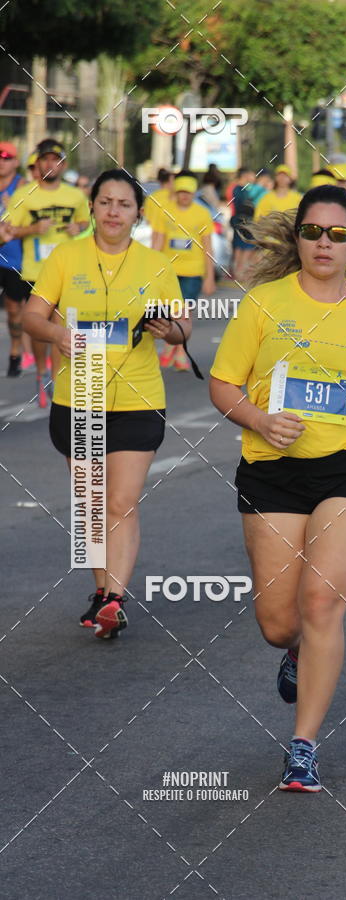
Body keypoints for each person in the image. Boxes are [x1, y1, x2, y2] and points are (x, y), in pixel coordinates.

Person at [210, 184, 346, 791]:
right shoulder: (263, 304)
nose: (325, 244)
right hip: (273, 471)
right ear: (299, 238)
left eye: (338, 234)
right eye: (314, 232)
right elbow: (224, 385)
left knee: (320, 605)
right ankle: (294, 653)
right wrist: (259, 419)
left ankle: (303, 746)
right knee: (280, 624)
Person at [22, 169, 188, 639]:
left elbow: (183, 327)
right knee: (92, 504)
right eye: (106, 202)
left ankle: (114, 597)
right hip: (80, 396)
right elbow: (34, 317)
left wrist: (169, 331)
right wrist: (58, 334)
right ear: (92, 207)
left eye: (124, 204)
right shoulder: (65, 257)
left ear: (138, 214)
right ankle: (102, 593)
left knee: (121, 500)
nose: (114, 212)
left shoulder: (156, 263)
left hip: (138, 396)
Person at [7, 138, 90, 406]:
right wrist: (32, 229)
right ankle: (41, 374)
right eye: (45, 159)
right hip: (35, 272)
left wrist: (80, 229)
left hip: (69, 273)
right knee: (40, 331)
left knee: (61, 329)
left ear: (63, 165)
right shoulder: (24, 196)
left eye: (56, 159)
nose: (50, 164)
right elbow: (6, 231)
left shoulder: (75, 196)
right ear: (38, 163)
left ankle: (56, 380)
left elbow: (90, 227)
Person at [152, 170, 215, 370]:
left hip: (193, 272)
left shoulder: (202, 213)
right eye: (181, 192)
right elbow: (157, 242)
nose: (184, 196)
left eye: (188, 192)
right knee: (169, 312)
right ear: (176, 192)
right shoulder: (164, 211)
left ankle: (179, 352)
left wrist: (209, 277)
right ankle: (172, 347)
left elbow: (208, 246)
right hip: (168, 270)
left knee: (183, 311)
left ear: (194, 193)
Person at [0, 140, 27, 376]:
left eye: (6, 158)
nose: (1, 162)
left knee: (13, 310)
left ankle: (15, 352)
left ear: (16, 162)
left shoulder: (23, 188)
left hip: (13, 259)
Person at [231, 167, 257, 283]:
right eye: (252, 175)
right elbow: (242, 205)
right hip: (242, 221)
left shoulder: (246, 189)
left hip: (244, 220)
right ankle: (238, 271)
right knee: (242, 246)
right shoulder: (239, 189)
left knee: (243, 246)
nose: (253, 178)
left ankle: (239, 271)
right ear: (245, 175)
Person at [145, 167, 174, 237]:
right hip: (172, 234)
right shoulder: (174, 197)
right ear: (170, 180)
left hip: (155, 234)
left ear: (159, 180)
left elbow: (148, 220)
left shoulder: (151, 197)